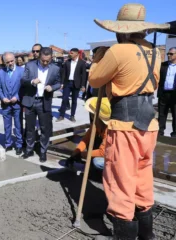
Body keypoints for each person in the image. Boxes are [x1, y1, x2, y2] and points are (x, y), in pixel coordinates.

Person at [89, 3, 169, 239]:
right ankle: (146, 234)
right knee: (142, 177)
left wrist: (99, 59)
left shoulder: (118, 51)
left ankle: (124, 233)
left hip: (124, 126)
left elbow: (94, 80)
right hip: (149, 125)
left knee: (120, 181)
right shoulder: (156, 52)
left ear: (121, 29)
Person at [21, 47, 61, 162]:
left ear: (51, 58)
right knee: (29, 128)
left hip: (45, 101)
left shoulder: (55, 69)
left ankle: (43, 151)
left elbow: (59, 83)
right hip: (31, 101)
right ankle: (29, 149)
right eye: (43, 60)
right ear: (39, 57)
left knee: (45, 128)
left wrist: (52, 88)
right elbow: (23, 80)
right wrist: (32, 81)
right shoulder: (30, 65)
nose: (45, 63)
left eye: (47, 61)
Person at [66, 97, 111, 171]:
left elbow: (102, 152)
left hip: (116, 159)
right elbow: (85, 139)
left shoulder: (109, 130)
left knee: (97, 162)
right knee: (91, 142)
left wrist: (82, 155)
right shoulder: (96, 125)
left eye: (92, 114)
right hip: (106, 153)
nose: (91, 116)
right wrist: (76, 152)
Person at [0, 52, 24, 155]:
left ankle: (19, 144)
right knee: (7, 125)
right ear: (4, 62)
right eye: (8, 62)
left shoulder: (21, 71)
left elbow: (23, 87)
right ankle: (8, 143)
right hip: (5, 104)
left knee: (18, 125)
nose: (10, 63)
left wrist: (17, 97)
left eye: (12, 61)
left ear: (15, 59)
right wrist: (3, 98)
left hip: (17, 103)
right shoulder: (1, 72)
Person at [57, 48, 87, 122]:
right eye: (70, 53)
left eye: (72, 53)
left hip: (76, 84)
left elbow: (83, 75)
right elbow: (64, 74)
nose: (70, 54)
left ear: (76, 54)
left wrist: (83, 85)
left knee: (74, 101)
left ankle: (72, 116)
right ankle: (61, 115)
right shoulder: (67, 62)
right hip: (67, 83)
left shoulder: (82, 63)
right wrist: (62, 83)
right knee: (64, 99)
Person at [157, 47, 176, 137]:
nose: (168, 55)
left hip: (174, 95)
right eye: (168, 53)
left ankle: (174, 134)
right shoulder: (163, 65)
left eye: (171, 54)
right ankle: (160, 133)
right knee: (162, 114)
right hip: (163, 94)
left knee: (175, 115)